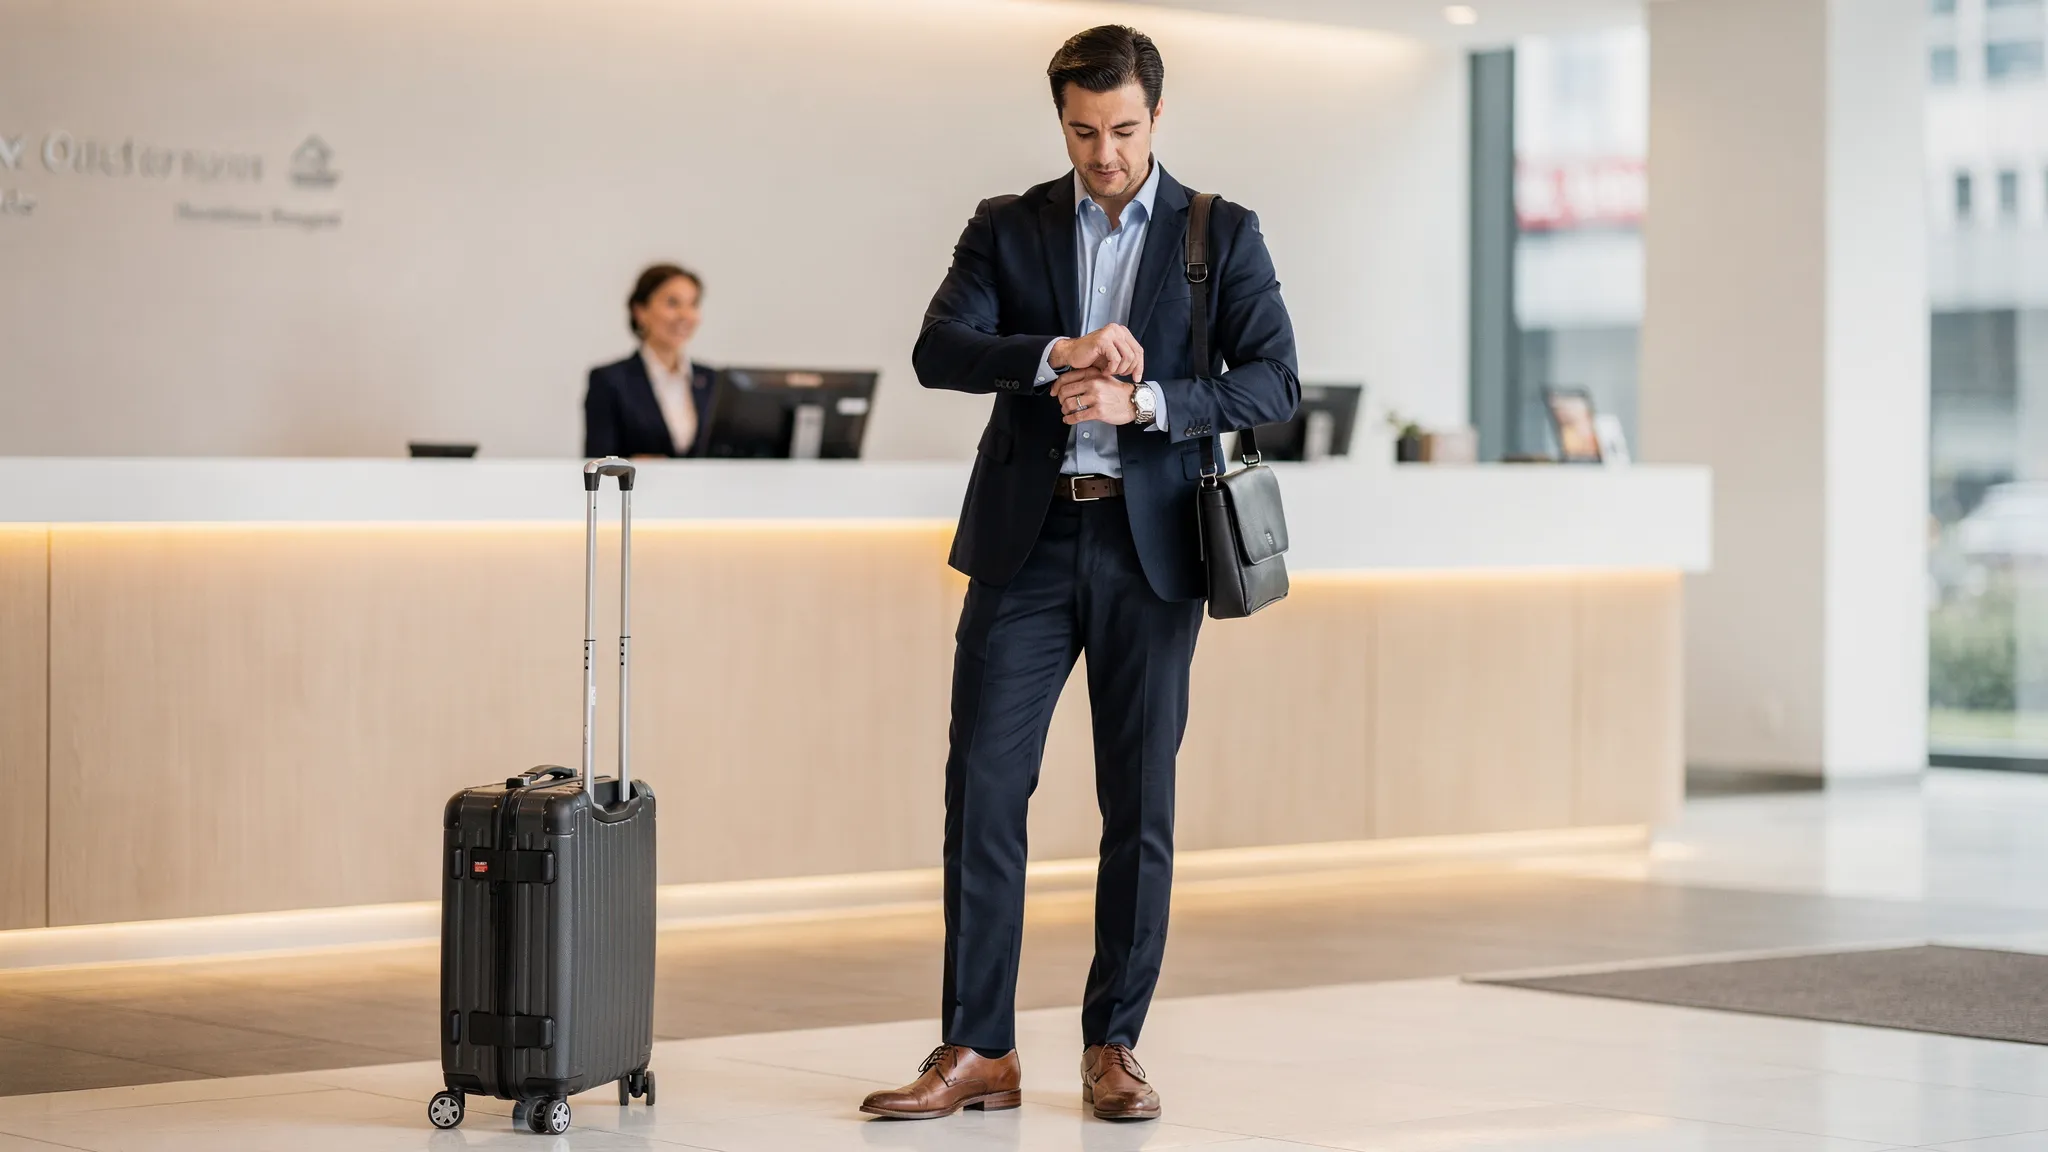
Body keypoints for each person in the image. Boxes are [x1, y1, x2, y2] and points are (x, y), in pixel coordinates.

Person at [859, 24, 1298, 1125]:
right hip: (1028, 546)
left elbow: (1274, 381)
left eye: (1122, 129)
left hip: (1153, 552)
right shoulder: (1006, 228)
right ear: (1059, 120)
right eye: (1081, 131)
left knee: (1136, 802)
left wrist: (1146, 402)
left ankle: (1113, 1046)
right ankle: (978, 1048)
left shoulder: (1218, 233)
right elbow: (938, 349)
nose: (1102, 152)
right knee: (984, 790)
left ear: (1156, 114)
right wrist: (1056, 353)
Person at [584, 264, 714, 458]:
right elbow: (598, 460)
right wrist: (635, 464)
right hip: (638, 488)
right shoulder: (610, 381)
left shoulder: (712, 380)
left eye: (693, 304)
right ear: (640, 312)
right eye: (672, 303)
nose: (685, 315)